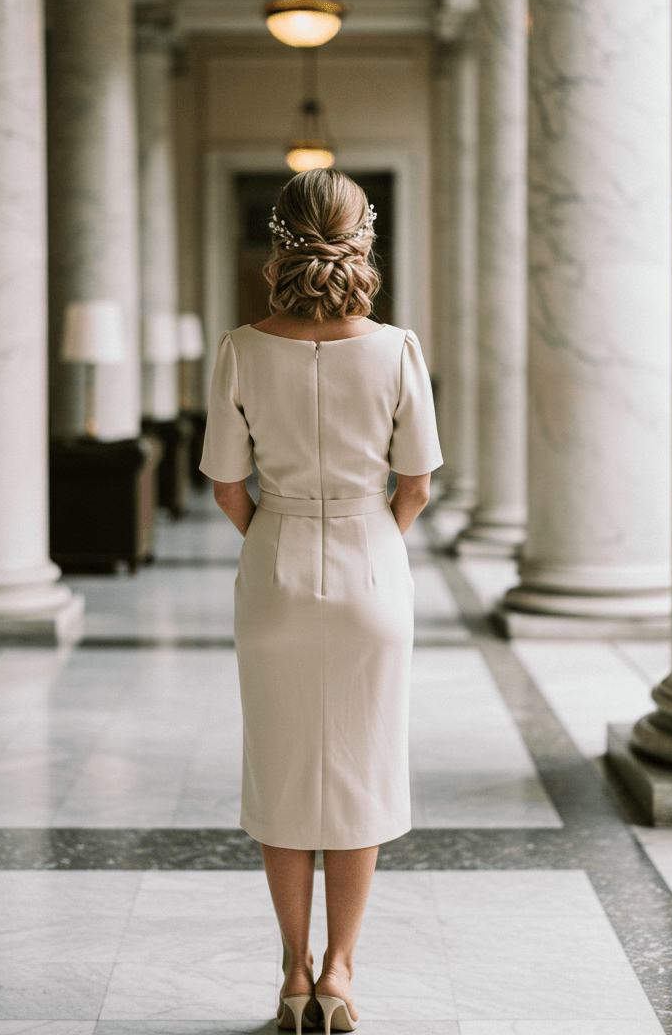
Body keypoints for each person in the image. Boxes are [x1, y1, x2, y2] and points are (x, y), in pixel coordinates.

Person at [200, 169, 442, 1034]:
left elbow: (230, 490)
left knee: (283, 771)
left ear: (280, 242)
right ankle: (342, 972)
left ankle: (294, 974)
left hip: (276, 567)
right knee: (361, 770)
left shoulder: (239, 347)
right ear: (363, 240)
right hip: (374, 568)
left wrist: (281, 537)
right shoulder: (397, 348)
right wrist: (371, 541)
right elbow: (413, 484)